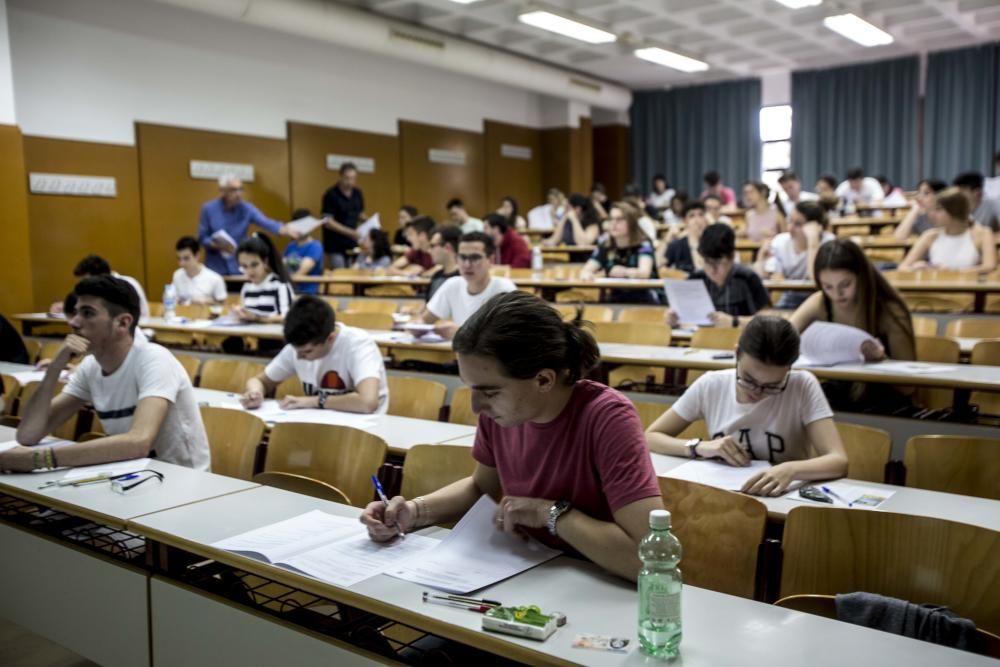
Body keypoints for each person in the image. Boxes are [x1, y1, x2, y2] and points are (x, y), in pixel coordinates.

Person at [362, 291, 664, 581]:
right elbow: (481, 486)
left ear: (543, 380)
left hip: (592, 582)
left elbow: (649, 558)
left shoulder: (607, 417)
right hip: (522, 570)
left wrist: (550, 513)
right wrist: (414, 512)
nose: (477, 407)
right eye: (472, 389)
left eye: (490, 392)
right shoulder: (504, 411)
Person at [5, 276, 210, 472]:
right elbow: (28, 435)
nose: (74, 322)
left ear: (123, 323)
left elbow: (138, 442)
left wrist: (42, 459)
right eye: (76, 312)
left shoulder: (154, 359)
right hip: (131, 474)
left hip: (180, 481)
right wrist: (54, 369)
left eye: (87, 313)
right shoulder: (90, 367)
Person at [645, 316, 847, 497]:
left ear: (789, 369)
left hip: (780, 497)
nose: (756, 392)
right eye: (748, 379)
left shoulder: (802, 385)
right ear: (737, 354)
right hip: (723, 495)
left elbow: (838, 460)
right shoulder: (712, 384)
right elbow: (650, 437)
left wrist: (791, 470)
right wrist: (699, 447)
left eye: (772, 386)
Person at [790, 239, 915, 410]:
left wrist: (881, 362)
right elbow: (785, 333)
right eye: (828, 287)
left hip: (884, 400)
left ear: (861, 276)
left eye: (845, 284)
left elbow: (908, 387)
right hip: (840, 394)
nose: (837, 294)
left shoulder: (889, 310)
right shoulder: (820, 301)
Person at [241, 296, 388, 414]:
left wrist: (312, 401)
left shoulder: (358, 344)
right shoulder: (299, 346)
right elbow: (261, 381)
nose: (298, 357)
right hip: (322, 423)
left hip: (365, 430)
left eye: (307, 352)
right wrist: (255, 392)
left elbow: (367, 402)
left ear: (330, 339)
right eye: (296, 350)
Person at [665, 224, 771, 328]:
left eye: (718, 262)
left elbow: (768, 319)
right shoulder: (696, 279)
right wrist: (673, 320)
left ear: (732, 257)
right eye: (707, 262)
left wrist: (735, 322)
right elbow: (684, 319)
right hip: (703, 341)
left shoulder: (747, 278)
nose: (712, 270)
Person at [198, 174, 299, 276]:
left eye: (240, 189)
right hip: (215, 267)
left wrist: (283, 229)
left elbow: (265, 222)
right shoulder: (209, 209)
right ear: (223, 191)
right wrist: (215, 245)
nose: (238, 194)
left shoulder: (247, 209)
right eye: (233, 190)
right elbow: (202, 237)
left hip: (239, 267)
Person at [422, 232, 516, 339]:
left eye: (475, 258)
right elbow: (424, 320)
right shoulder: (452, 284)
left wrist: (462, 333)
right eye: (462, 257)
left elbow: (509, 336)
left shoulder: (504, 290)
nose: (467, 265)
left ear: (490, 260)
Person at [754, 202, 836, 308]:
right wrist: (761, 258)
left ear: (816, 227)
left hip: (821, 298)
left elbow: (816, 279)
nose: (790, 228)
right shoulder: (780, 241)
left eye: (798, 224)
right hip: (791, 298)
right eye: (790, 221)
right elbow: (764, 276)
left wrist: (813, 243)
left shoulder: (829, 242)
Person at [899, 188, 996, 274]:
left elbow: (989, 266)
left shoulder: (983, 233)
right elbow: (902, 267)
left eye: (938, 209)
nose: (932, 214)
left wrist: (951, 272)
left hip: (967, 291)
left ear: (954, 210)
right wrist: (914, 269)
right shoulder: (929, 236)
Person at [581, 202, 659, 304]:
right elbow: (587, 269)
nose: (613, 223)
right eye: (611, 219)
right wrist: (587, 274)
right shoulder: (605, 246)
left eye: (619, 219)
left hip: (643, 299)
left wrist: (625, 272)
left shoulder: (644, 244)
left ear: (631, 222)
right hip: (615, 299)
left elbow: (644, 272)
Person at [235, 234, 295, 324]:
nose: (250, 271)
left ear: (265, 262)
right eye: (244, 266)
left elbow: (287, 318)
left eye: (254, 265)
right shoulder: (246, 288)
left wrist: (256, 318)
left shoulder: (280, 285)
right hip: (251, 335)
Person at [72, 255, 150, 319]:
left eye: (87, 282)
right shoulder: (102, 287)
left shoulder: (126, 286)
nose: (85, 286)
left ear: (100, 277)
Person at [321, 162, 366, 269]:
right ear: (341, 176)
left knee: (354, 271)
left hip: (352, 242)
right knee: (340, 273)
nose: (350, 182)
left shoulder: (357, 193)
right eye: (347, 178)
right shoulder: (331, 194)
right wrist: (349, 232)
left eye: (353, 178)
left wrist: (368, 220)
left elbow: (359, 213)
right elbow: (328, 221)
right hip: (336, 243)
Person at [172, 237, 227, 305]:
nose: (181, 263)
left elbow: (223, 305)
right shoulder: (177, 275)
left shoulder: (215, 279)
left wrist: (208, 302)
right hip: (182, 314)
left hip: (205, 314)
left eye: (186, 258)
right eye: (179, 259)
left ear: (197, 255)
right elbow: (172, 299)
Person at [283, 209, 324, 295]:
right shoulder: (290, 246)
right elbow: (282, 267)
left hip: (308, 292)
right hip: (290, 290)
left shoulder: (315, 246)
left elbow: (300, 272)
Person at [662, 201, 707, 274]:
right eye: (692, 216)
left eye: (701, 215)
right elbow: (661, 267)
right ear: (685, 221)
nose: (697, 220)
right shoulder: (677, 245)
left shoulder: (714, 243)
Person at [425, 225, 462, 302]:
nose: (429, 251)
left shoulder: (463, 277)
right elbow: (428, 307)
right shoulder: (436, 276)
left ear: (447, 247)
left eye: (432, 246)